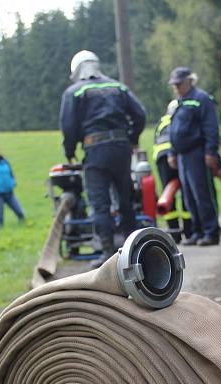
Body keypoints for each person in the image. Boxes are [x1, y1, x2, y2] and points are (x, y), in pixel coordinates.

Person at [60, 50, 146, 268]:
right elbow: (140, 114)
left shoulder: (74, 92)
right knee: (125, 200)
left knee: (100, 204)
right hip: (121, 148)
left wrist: (69, 151)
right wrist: (132, 137)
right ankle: (134, 251)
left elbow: (68, 127)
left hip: (95, 150)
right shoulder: (118, 87)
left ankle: (107, 254)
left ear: (77, 70)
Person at [166, 67, 221, 246]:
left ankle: (211, 232)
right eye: (174, 84)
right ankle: (197, 232)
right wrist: (172, 152)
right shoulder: (181, 101)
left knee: (202, 194)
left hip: (197, 153)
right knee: (188, 196)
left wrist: (210, 152)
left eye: (179, 84)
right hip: (182, 156)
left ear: (190, 80)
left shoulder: (201, 99)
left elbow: (211, 128)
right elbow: (174, 130)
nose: (176, 87)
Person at [152, 99, 192, 243]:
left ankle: (174, 235)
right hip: (178, 156)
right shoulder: (181, 119)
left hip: (162, 160)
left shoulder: (161, 122)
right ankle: (189, 231)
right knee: (187, 193)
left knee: (168, 196)